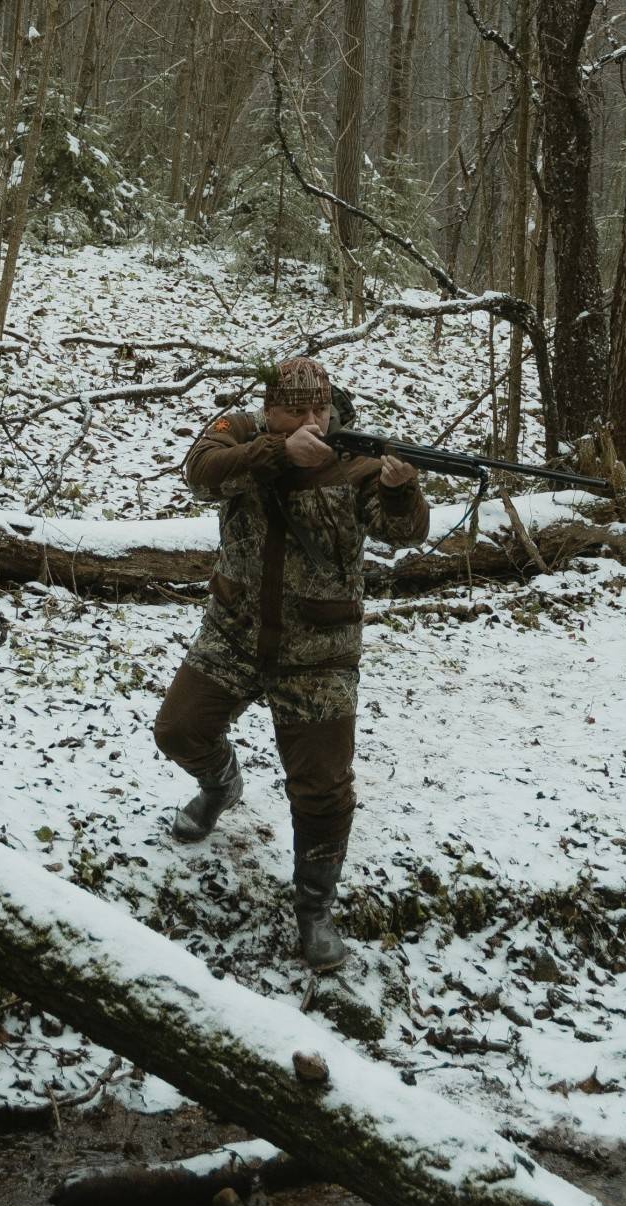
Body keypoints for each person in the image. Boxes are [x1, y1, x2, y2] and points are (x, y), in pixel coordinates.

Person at [153, 356, 429, 971]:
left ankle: (314, 906)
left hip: (319, 651)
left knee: (323, 787)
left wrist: (400, 486)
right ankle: (221, 783)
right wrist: (278, 454)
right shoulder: (240, 437)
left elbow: (403, 531)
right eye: (296, 411)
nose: (312, 422)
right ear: (270, 410)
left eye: (319, 411)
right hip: (236, 631)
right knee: (178, 730)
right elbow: (199, 472)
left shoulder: (353, 462)